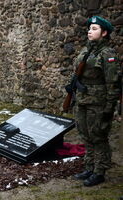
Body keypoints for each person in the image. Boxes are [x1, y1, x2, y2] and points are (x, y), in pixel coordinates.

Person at [72, 16, 121, 187]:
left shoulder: (107, 54)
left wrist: (109, 107)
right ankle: (89, 167)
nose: (89, 31)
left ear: (104, 32)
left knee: (98, 136)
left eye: (94, 29)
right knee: (86, 135)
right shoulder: (87, 50)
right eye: (89, 28)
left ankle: (99, 171)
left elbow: (113, 83)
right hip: (83, 99)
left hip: (98, 102)